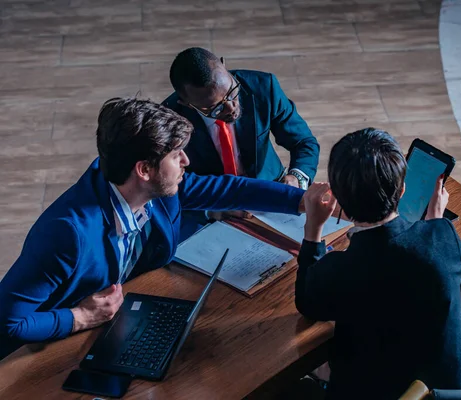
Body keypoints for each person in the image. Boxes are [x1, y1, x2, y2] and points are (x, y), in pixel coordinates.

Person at [0, 98, 311, 360]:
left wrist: (304, 200)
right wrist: (79, 317)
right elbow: (10, 323)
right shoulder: (66, 233)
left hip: (126, 319)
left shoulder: (157, 189)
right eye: (177, 155)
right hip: (44, 352)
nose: (187, 161)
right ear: (144, 170)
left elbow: (230, 189)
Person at [296, 128, 461, 399]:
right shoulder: (442, 235)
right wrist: (435, 225)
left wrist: (313, 229)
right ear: (403, 189)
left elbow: (307, 302)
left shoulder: (338, 269)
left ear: (342, 206)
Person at [163, 47, 319, 190]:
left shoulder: (263, 87)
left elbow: (303, 141)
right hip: (212, 201)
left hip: (270, 186)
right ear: (187, 104)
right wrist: (210, 211)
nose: (231, 108)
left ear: (224, 65)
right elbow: (169, 182)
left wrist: (296, 177)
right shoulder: (168, 120)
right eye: (215, 108)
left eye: (232, 92)